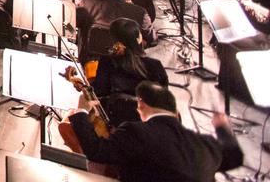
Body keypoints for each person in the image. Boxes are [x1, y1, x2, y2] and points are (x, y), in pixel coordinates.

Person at [69, 81, 242, 182]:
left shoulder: (136, 132)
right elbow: (234, 156)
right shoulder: (207, 145)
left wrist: (82, 110)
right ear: (176, 113)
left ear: (142, 106)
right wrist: (222, 128)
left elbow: (96, 151)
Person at [92, 17, 169, 124]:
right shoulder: (155, 65)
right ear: (139, 39)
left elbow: (99, 92)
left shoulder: (107, 62)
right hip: (147, 123)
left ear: (114, 41)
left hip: (116, 120)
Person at [77, 0, 156, 54]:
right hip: (123, 61)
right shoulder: (140, 13)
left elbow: (73, 26)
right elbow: (152, 40)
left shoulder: (86, 3)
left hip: (88, 58)